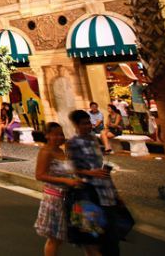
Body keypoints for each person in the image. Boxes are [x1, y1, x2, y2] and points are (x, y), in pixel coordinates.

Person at [67, 109, 121, 256]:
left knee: (112, 238)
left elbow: (99, 164)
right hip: (89, 195)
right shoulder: (73, 143)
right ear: (76, 125)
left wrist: (115, 193)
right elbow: (74, 169)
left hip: (106, 191)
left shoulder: (93, 139)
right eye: (83, 123)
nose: (88, 126)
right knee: (94, 239)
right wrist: (92, 173)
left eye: (89, 123)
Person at [34, 123, 87, 256]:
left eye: (61, 134)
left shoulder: (61, 151)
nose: (60, 137)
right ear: (47, 135)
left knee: (61, 236)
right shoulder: (45, 152)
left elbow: (67, 171)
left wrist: (75, 179)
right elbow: (39, 175)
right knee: (54, 238)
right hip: (54, 199)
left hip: (67, 197)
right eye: (55, 135)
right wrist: (66, 181)